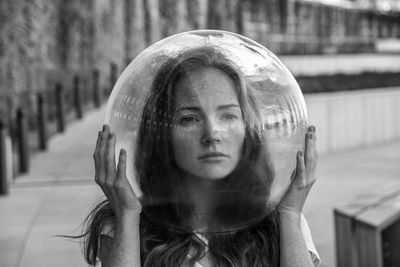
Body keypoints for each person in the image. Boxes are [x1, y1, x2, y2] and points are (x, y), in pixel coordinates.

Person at [82, 47, 320, 267]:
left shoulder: (280, 221)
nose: (212, 134)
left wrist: (289, 215)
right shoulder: (125, 222)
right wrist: (127, 217)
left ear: (248, 130)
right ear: (161, 134)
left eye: (228, 116)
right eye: (189, 119)